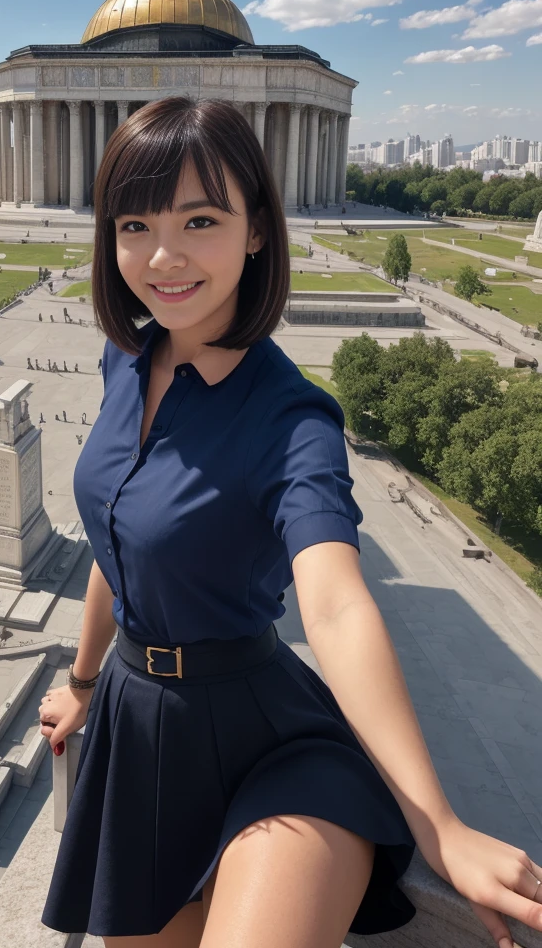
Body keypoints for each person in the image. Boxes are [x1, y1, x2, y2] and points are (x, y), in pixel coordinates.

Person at [37, 96, 542, 948]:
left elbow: (338, 606)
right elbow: (119, 544)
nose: (163, 256)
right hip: (139, 730)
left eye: (200, 219)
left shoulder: (293, 420)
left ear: (258, 230)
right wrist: (84, 684)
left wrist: (442, 828)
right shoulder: (125, 360)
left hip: (270, 747)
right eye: (134, 224)